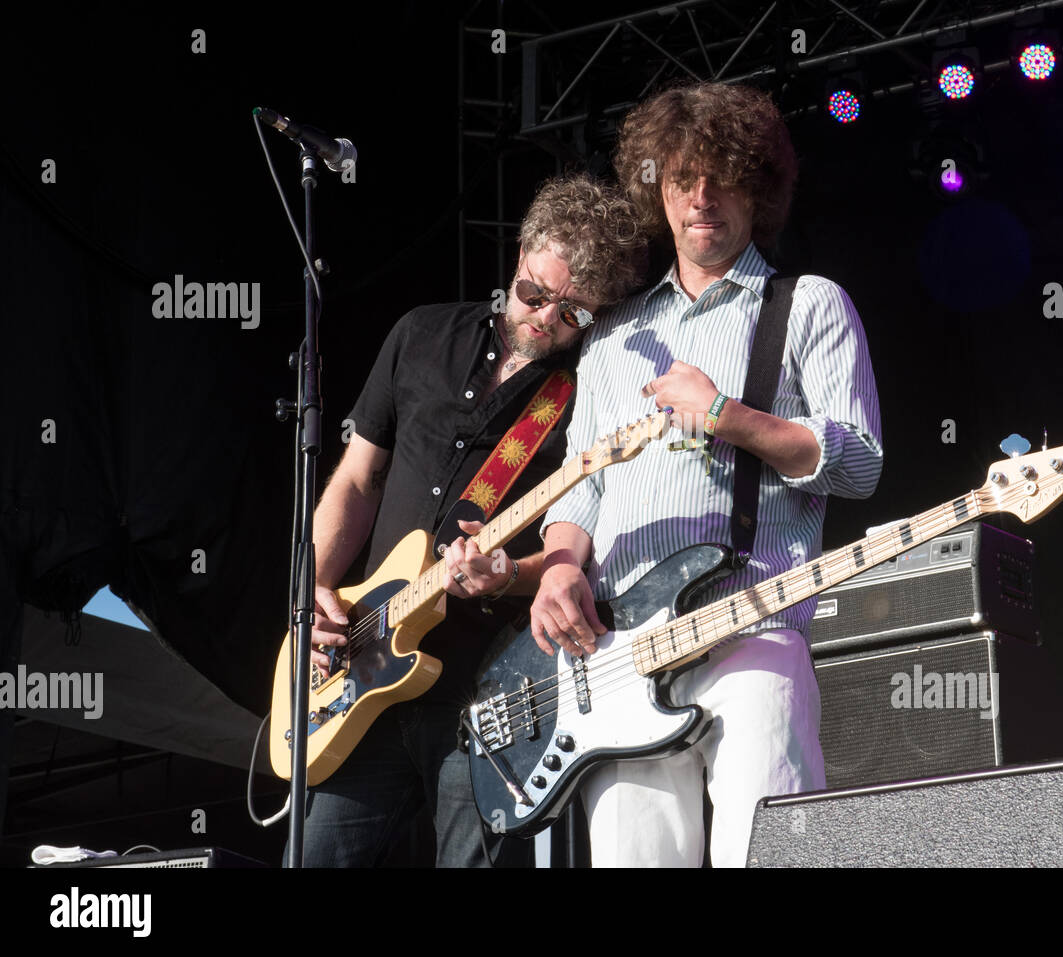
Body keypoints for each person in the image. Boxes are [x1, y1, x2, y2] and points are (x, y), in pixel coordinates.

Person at [531, 82, 884, 867]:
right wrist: (558, 568)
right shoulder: (614, 336)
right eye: (681, 176)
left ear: (758, 187)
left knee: (767, 857)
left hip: (752, 631)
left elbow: (859, 461)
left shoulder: (809, 305)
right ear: (655, 187)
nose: (701, 197)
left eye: (723, 175)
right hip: (619, 658)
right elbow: (579, 487)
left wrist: (725, 413)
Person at [293, 173, 646, 867]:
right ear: (517, 259)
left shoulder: (589, 393)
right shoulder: (420, 332)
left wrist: (509, 575)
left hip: (490, 691)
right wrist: (314, 592)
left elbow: (588, 552)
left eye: (572, 313)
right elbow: (358, 479)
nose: (545, 318)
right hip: (359, 670)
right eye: (534, 294)